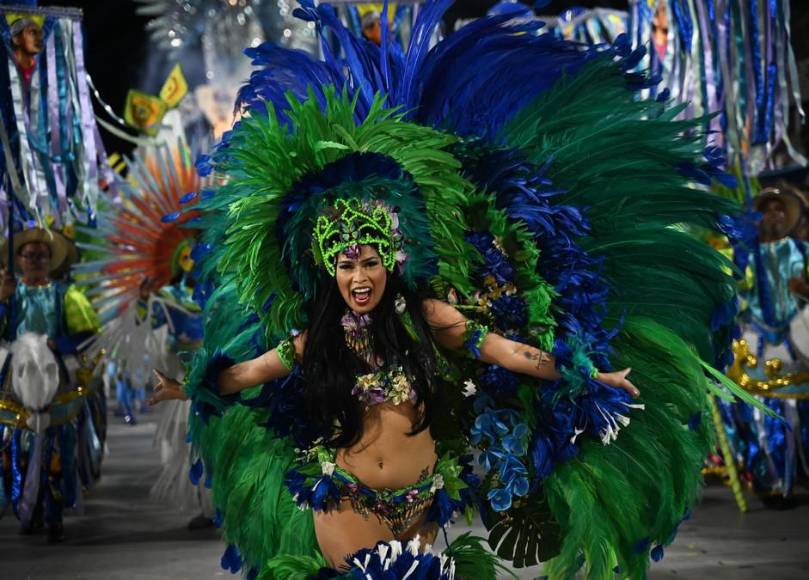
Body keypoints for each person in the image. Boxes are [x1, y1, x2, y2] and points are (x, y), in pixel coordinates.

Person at [149, 2, 761, 577]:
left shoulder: (428, 317)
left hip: (421, 500)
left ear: (390, 261)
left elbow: (507, 352)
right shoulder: (319, 336)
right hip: (343, 498)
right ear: (330, 273)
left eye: (368, 263)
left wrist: (587, 377)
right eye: (344, 267)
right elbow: (250, 373)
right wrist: (188, 385)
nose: (358, 278)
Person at [0, 227, 101, 542]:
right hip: (15, 387)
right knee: (16, 452)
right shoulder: (9, 293)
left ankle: (54, 513)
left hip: (54, 383)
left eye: (42, 256)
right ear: (18, 260)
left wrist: (60, 344)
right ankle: (28, 511)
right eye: (29, 256)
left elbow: (89, 335)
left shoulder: (65, 295)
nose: (35, 261)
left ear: (50, 260)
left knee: (56, 452)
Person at [723, 186, 809, 508]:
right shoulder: (743, 255)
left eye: (780, 209)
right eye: (768, 209)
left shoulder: (801, 252)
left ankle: (798, 475)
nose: (775, 215)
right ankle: (771, 484)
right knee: (761, 415)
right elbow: (734, 295)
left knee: (800, 413)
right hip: (756, 343)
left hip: (796, 342)